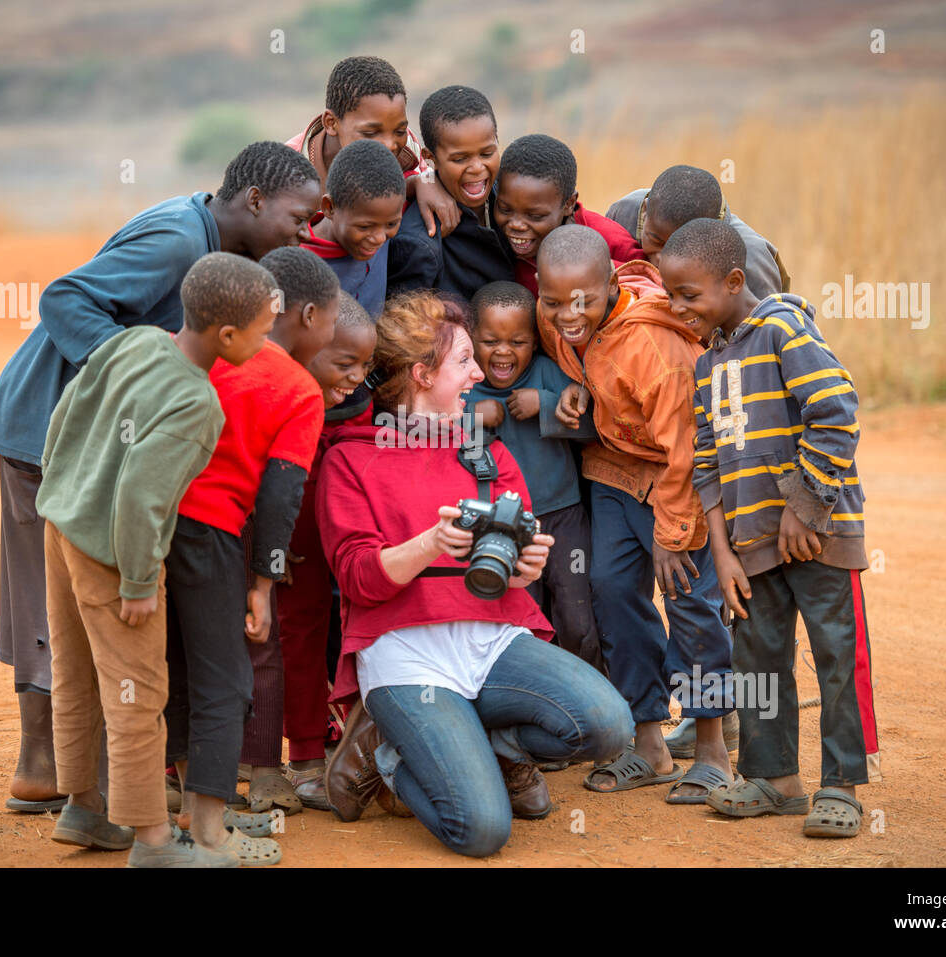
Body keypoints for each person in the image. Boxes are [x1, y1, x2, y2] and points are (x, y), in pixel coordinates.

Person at [0, 141, 321, 813]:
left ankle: (78, 790)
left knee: (69, 606)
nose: (303, 233)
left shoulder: (205, 240)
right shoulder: (176, 241)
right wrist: (143, 378)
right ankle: (44, 764)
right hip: (46, 432)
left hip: (83, 435)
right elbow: (65, 299)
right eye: (298, 218)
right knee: (54, 604)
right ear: (255, 201)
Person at [316, 290, 633, 857]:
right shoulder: (350, 458)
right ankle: (390, 753)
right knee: (483, 829)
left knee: (609, 725)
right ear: (420, 374)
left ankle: (487, 741)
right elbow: (359, 577)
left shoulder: (486, 454)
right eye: (463, 361)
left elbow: (511, 568)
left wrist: (523, 568)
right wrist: (428, 544)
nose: (478, 374)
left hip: (492, 641)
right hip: (406, 655)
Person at [38, 252, 276, 867]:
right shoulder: (198, 404)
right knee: (138, 694)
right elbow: (143, 496)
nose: (269, 337)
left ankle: (85, 806)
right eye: (264, 327)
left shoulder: (136, 341)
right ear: (228, 336)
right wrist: (141, 581)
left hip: (63, 525)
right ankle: (154, 843)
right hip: (115, 557)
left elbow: (67, 411)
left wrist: (64, 487)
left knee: (77, 671)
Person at [659, 219, 879, 837]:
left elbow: (836, 410)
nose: (678, 308)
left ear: (733, 281)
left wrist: (804, 506)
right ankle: (775, 778)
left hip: (819, 535)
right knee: (758, 658)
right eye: (670, 295)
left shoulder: (784, 328)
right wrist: (722, 553)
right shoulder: (707, 365)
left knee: (837, 654)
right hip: (751, 546)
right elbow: (707, 462)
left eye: (689, 295)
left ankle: (842, 784)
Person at [535, 225, 735, 804]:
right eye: (552, 302)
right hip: (613, 473)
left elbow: (689, 449)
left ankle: (714, 751)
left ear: (609, 286)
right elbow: (585, 363)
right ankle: (648, 742)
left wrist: (673, 533)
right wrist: (579, 393)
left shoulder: (655, 350)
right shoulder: (561, 318)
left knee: (692, 602)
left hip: (681, 480)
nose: (567, 316)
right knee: (612, 591)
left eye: (582, 303)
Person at [165, 246, 334, 860]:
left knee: (178, 666)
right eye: (336, 318)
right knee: (226, 682)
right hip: (211, 535)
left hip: (153, 525)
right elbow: (280, 496)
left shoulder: (205, 347)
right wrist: (262, 585)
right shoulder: (297, 389)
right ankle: (210, 832)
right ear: (309, 317)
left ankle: (188, 808)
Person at [464, 281, 603, 671]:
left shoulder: (545, 373)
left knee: (578, 618)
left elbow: (594, 425)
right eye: (491, 340)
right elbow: (424, 433)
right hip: (500, 526)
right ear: (471, 337)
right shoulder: (463, 385)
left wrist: (544, 405)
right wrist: (471, 419)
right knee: (523, 619)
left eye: (518, 341)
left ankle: (593, 697)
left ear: (536, 342)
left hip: (563, 517)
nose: (504, 351)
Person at [278, 292, 378, 808]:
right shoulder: (280, 397)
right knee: (283, 638)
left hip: (333, 544)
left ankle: (322, 752)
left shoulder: (357, 408)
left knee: (323, 631)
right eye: (345, 363)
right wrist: (267, 540)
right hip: (279, 543)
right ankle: (297, 759)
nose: (358, 378)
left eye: (366, 365)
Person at [286, 55, 459, 238]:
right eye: (370, 133)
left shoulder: (407, 147)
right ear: (331, 123)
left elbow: (424, 180)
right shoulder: (286, 173)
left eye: (399, 131)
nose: (389, 145)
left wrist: (424, 180)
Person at [385, 86, 514, 300]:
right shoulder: (418, 245)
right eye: (460, 159)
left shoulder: (513, 194)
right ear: (430, 158)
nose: (477, 167)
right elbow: (405, 326)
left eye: (487, 153)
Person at [605, 164, 790, 300]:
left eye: (680, 247)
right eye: (655, 240)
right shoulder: (625, 213)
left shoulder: (749, 259)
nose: (663, 259)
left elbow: (764, 337)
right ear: (645, 211)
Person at [491, 133, 644, 296]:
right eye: (505, 209)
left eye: (535, 216)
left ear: (568, 204)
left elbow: (650, 286)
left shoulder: (608, 239)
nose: (516, 224)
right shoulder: (495, 239)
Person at [302, 139, 405, 314]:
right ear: (330, 207)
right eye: (365, 227)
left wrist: (425, 183)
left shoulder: (381, 212)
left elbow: (425, 169)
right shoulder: (299, 265)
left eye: (391, 224)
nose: (379, 238)